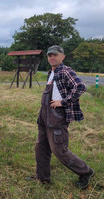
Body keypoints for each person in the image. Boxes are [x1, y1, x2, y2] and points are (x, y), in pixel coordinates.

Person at [33, 45, 94, 188]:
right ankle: (42, 178)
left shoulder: (65, 71)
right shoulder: (51, 72)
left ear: (62, 56)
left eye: (55, 54)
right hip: (44, 115)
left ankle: (86, 172)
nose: (52, 57)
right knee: (41, 147)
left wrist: (64, 102)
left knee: (59, 149)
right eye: (49, 55)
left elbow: (80, 86)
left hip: (56, 116)